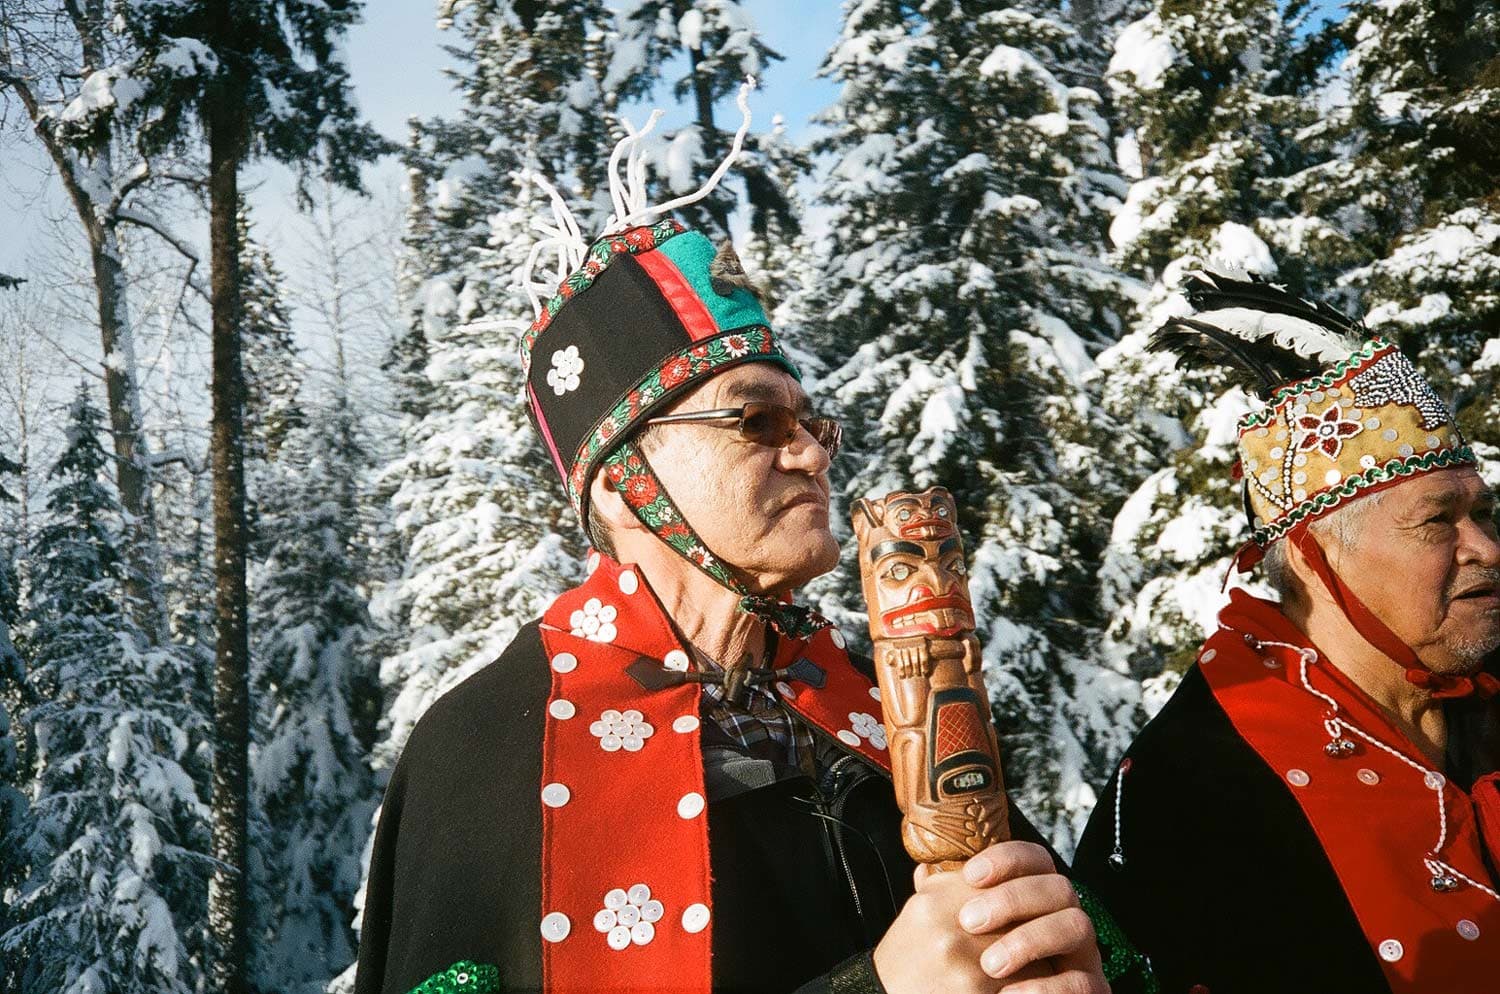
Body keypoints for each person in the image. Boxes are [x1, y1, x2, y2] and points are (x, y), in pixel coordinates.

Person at [353, 99, 1151, 994]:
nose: (809, 449)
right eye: (756, 420)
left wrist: (1070, 965)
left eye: (812, 421)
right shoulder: (489, 754)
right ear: (622, 483)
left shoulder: (866, 704)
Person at [1073, 272, 1500, 993]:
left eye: (1481, 512)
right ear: (1314, 556)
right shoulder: (1192, 796)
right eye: (1437, 521)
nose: (1486, 547)